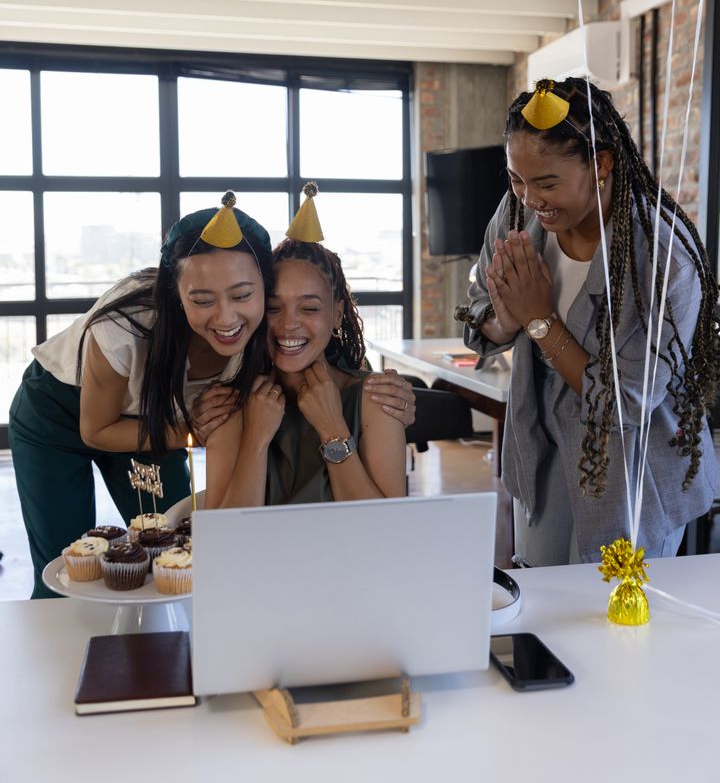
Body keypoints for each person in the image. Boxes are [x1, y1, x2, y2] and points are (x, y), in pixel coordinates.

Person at [10, 192, 413, 597]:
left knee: (175, 555)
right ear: (178, 294)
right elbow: (98, 431)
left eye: (242, 295)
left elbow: (388, 535)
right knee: (62, 569)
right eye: (203, 299)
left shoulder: (261, 364)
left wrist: (373, 409)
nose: (226, 317)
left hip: (159, 422)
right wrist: (216, 432)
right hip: (59, 414)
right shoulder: (130, 325)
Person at [458, 76, 720, 567]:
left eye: (547, 182)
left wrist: (540, 320)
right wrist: (506, 319)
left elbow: (625, 402)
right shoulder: (517, 215)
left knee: (613, 608)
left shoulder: (661, 259)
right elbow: (480, 313)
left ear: (600, 163)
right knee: (541, 596)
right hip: (542, 451)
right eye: (516, 179)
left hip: (632, 470)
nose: (529, 198)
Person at [205, 185, 408, 507]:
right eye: (274, 307)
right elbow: (222, 531)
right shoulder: (231, 405)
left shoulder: (376, 399)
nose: (289, 324)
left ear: (337, 314)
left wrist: (332, 429)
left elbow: (387, 527)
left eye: (310, 308)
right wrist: (255, 440)